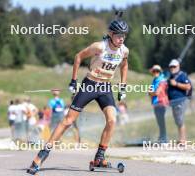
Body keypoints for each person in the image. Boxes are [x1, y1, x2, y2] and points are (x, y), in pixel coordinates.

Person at [27, 14, 129, 175]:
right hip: (90, 84)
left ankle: (99, 158)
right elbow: (78, 56)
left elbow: (124, 66)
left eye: (123, 36)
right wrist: (74, 81)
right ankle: (41, 155)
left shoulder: (124, 50)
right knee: (68, 121)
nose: (121, 39)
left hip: (105, 87)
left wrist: (122, 86)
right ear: (111, 34)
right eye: (118, 36)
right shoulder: (99, 46)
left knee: (112, 120)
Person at [167, 59, 192, 145]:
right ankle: (181, 138)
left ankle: (183, 140)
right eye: (171, 67)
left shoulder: (182, 76)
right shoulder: (171, 77)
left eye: (174, 66)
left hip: (181, 101)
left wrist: (176, 84)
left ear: (178, 67)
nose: (172, 68)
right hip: (173, 102)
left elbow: (188, 86)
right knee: (177, 120)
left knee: (180, 120)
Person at [148, 65, 169, 143]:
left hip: (161, 103)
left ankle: (164, 139)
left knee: (161, 122)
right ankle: (162, 138)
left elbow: (156, 92)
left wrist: (151, 93)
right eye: (154, 71)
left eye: (157, 71)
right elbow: (150, 92)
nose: (155, 72)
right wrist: (151, 93)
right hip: (156, 103)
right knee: (159, 122)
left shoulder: (162, 80)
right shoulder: (154, 80)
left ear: (160, 72)